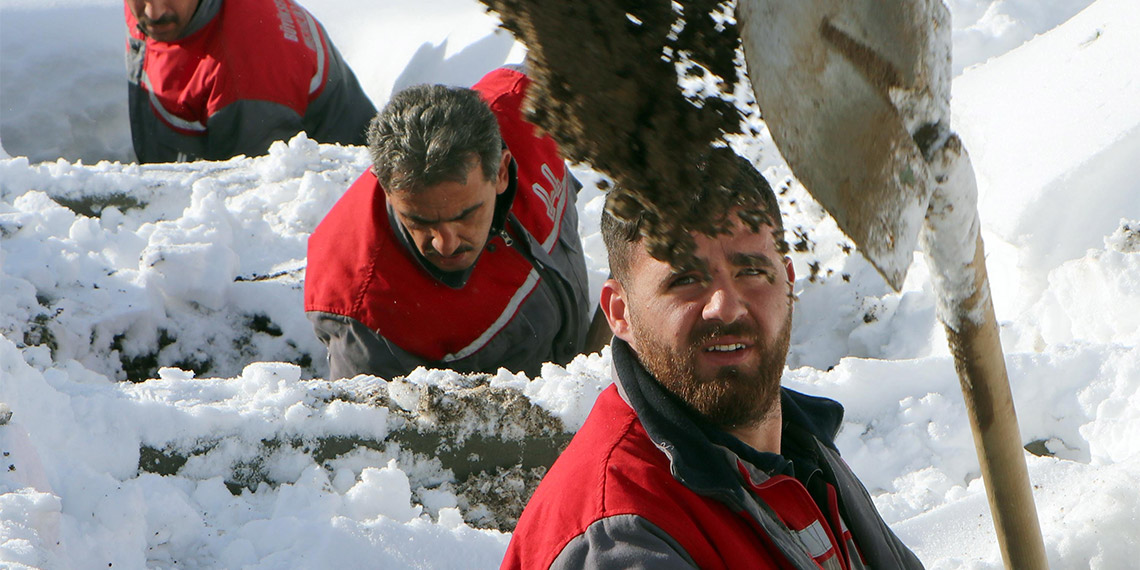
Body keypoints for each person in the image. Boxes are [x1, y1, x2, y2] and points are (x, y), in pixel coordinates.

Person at [502, 157, 924, 569]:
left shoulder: (800, 449)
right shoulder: (619, 534)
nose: (725, 307)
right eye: (686, 279)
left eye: (753, 271)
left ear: (788, 283)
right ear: (619, 312)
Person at [303, 66, 592, 381]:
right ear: (386, 188)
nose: (446, 243)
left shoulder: (528, 109)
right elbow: (378, 426)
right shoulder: (368, 315)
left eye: (465, 214)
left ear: (500, 173)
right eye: (419, 220)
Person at [124, 0, 375, 163]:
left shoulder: (247, 71)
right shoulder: (167, 16)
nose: (153, 12)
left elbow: (250, 200)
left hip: (328, 194)